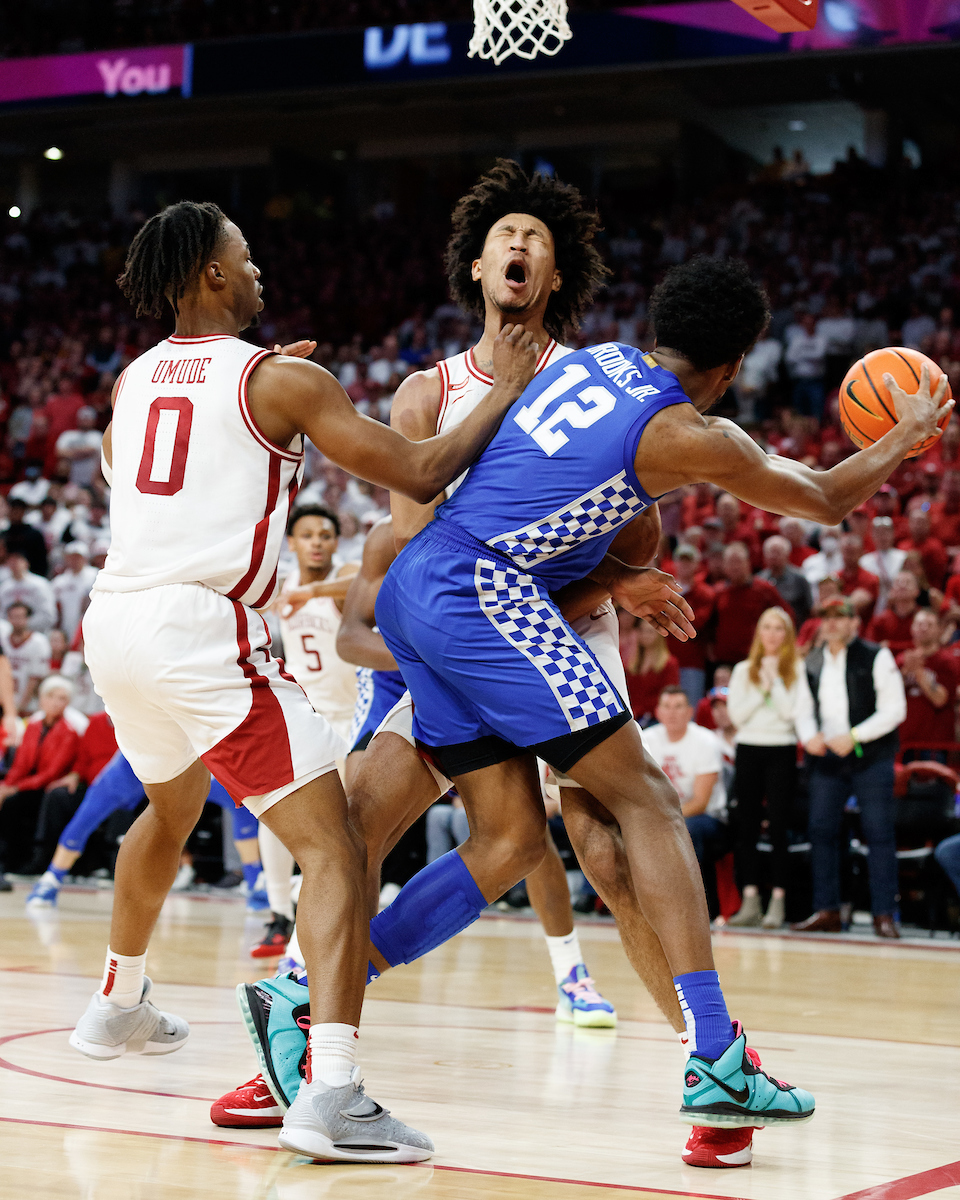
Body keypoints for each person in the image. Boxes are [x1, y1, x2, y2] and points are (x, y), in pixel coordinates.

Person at [228, 166, 758, 1170]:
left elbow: (635, 535)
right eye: (504, 234)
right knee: (364, 819)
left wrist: (621, 577)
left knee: (604, 847)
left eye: (538, 238)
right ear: (477, 265)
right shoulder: (427, 392)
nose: (519, 245)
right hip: (457, 628)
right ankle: (298, 1048)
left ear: (555, 275)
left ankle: (713, 1074)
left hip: (563, 629)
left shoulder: (600, 378)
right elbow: (418, 544)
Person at [71, 198, 541, 1164]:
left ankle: (117, 998)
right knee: (338, 852)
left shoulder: (136, 377)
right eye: (245, 258)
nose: (259, 272)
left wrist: (262, 395)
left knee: (169, 806)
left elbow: (142, 461)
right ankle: (333, 1094)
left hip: (113, 623)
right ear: (211, 274)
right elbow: (418, 470)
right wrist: (504, 390)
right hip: (202, 631)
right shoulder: (278, 379)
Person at [251, 504, 359, 960]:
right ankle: (279, 911)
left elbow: (362, 582)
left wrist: (312, 591)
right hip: (304, 713)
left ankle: (320, 910)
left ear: (336, 542)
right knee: (273, 809)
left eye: (326, 534)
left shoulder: (346, 573)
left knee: (343, 824)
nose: (317, 542)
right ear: (291, 542)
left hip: (351, 716)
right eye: (308, 534)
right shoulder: (279, 582)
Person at [792, 597, 907, 938]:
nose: (832, 623)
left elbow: (895, 709)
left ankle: (884, 914)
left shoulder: (876, 655)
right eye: (826, 617)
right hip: (827, 757)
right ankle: (827, 910)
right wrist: (809, 737)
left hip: (871, 755)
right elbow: (802, 708)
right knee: (821, 830)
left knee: (878, 832)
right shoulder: (812, 659)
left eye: (839, 617)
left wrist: (855, 735)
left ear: (855, 622)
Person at [26, 752, 264, 910]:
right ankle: (52, 878)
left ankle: (255, 884)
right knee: (90, 811)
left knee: (240, 802)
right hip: (139, 759)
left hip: (187, 760)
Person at [725, 608, 810, 930]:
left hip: (781, 750)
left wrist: (775, 682)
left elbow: (790, 713)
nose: (772, 634)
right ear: (759, 633)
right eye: (767, 627)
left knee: (778, 826)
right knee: (746, 825)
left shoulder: (796, 669)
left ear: (787, 635)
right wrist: (762, 686)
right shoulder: (742, 670)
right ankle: (749, 899)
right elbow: (737, 716)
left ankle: (778, 899)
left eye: (779, 629)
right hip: (748, 748)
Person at [643, 687, 728, 899]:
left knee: (684, 829)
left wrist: (660, 819)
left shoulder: (705, 741)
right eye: (667, 706)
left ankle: (688, 899)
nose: (672, 713)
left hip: (706, 818)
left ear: (690, 712)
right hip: (660, 815)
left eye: (678, 707)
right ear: (658, 712)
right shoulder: (645, 740)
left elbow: (700, 802)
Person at [0, 676, 80, 887]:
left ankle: (34, 860)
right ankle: (8, 860)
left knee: (17, 801)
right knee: (7, 800)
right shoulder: (33, 726)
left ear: (68, 703)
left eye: (62, 698)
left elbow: (51, 773)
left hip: (47, 788)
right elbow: (20, 765)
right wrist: (7, 785)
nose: (55, 702)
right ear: (42, 699)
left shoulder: (70, 732)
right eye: (51, 696)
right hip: (28, 783)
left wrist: (16, 787)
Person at [24, 708, 117, 876]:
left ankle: (114, 867)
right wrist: (74, 775)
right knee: (57, 796)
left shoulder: (135, 722)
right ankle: (43, 858)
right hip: (91, 787)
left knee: (122, 803)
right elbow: (83, 756)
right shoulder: (96, 721)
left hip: (119, 790)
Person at [711, 542, 788, 666]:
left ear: (748, 563)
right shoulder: (717, 591)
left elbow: (785, 617)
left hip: (756, 659)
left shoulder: (765, 590)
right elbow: (709, 625)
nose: (735, 566)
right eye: (731, 562)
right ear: (724, 565)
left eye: (738, 561)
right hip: (723, 662)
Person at [896, 608, 959, 760]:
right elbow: (889, 698)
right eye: (919, 624)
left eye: (929, 624)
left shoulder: (948, 662)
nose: (923, 628)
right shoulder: (902, 660)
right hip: (903, 742)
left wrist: (918, 672)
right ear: (912, 628)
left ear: (939, 629)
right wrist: (904, 673)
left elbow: (940, 700)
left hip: (934, 746)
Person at [665, 543, 715, 707]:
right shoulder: (664, 589)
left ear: (696, 564)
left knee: (690, 709)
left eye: (689, 561)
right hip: (665, 660)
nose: (684, 565)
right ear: (675, 563)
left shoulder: (705, 593)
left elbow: (696, 623)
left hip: (692, 662)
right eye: (681, 560)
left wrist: (668, 618)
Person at [622, 616, 680, 724]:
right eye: (642, 630)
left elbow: (669, 695)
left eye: (649, 631)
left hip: (657, 719)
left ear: (659, 634)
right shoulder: (631, 664)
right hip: (634, 717)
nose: (645, 635)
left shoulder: (669, 663)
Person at [1, 601, 51, 715]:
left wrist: (21, 707)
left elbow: (36, 678)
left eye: (20, 617)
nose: (16, 621)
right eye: (13, 617)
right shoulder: (3, 640)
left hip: (28, 706)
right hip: (4, 702)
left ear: (28, 618)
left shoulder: (38, 642)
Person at [758, 535, 812, 627]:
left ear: (787, 554)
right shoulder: (759, 580)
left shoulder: (799, 579)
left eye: (777, 552)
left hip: (794, 628)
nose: (773, 556)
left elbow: (808, 609)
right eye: (770, 552)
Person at [865, 569, 921, 653]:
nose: (902, 585)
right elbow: (870, 646)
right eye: (898, 582)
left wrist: (890, 646)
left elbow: (927, 646)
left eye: (908, 582)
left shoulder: (924, 619)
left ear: (917, 591)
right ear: (891, 591)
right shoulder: (880, 620)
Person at [52, 541, 98, 640]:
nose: (74, 560)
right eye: (71, 557)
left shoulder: (95, 576)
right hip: (66, 626)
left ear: (85, 558)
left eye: (78, 557)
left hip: (89, 623)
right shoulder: (59, 582)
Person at [859, 516, 906, 614]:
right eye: (878, 532)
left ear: (893, 533)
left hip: (898, 607)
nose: (882, 536)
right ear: (872, 535)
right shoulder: (864, 561)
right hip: (873, 608)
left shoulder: (903, 557)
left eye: (886, 532)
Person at [0, 552, 56, 632]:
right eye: (11, 561)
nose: (14, 564)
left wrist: (23, 624)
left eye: (17, 560)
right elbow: (2, 614)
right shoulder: (4, 588)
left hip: (36, 632)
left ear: (26, 563)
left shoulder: (40, 584)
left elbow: (49, 615)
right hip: (11, 633)